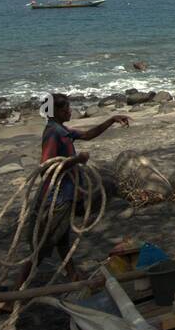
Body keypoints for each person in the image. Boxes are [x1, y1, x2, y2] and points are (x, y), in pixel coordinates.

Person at [15, 93, 129, 290]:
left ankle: (72, 274)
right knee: (42, 248)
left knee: (62, 239)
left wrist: (111, 120)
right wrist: (77, 161)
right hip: (56, 199)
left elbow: (87, 135)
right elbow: (46, 165)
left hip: (66, 195)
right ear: (57, 111)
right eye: (67, 108)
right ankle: (16, 291)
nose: (69, 111)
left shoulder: (61, 130)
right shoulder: (53, 133)